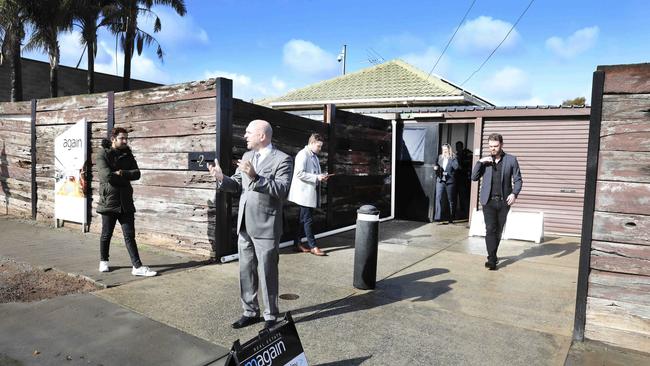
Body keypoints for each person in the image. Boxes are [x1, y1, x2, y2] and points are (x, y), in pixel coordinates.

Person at [208, 119, 292, 330]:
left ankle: (271, 315)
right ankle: (250, 311)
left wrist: (256, 176)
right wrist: (221, 178)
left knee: (267, 272)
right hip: (244, 224)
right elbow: (236, 184)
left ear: (262, 136)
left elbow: (282, 190)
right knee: (245, 270)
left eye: (248, 133)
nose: (244, 136)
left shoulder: (282, 159)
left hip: (266, 225)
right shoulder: (247, 156)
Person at [96, 127, 156, 277]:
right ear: (113, 139)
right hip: (109, 201)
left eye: (126, 138)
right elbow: (107, 176)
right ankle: (104, 261)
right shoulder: (103, 153)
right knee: (106, 234)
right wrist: (124, 177)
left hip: (126, 201)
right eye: (122, 138)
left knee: (130, 235)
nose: (125, 141)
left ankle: (137, 266)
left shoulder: (128, 154)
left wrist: (122, 173)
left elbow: (137, 174)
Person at [471, 133, 522, 270]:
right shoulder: (485, 161)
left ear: (502, 145)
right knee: (490, 229)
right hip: (488, 201)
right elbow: (474, 177)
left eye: (495, 146)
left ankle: (493, 255)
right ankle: (492, 259)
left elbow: (518, 179)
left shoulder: (511, 160)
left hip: (504, 202)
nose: (493, 149)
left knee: (498, 230)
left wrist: (514, 193)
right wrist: (480, 162)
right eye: (490, 146)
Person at [288, 133, 329, 256]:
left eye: (321, 146)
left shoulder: (313, 155)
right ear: (311, 143)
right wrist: (317, 177)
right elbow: (299, 173)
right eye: (318, 146)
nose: (320, 149)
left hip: (307, 193)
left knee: (302, 220)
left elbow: (313, 173)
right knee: (308, 220)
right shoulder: (302, 154)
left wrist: (321, 176)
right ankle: (313, 246)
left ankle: (297, 244)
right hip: (303, 194)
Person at [433, 143, 459, 224]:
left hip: (450, 181)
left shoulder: (453, 157)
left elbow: (456, 167)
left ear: (449, 150)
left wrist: (449, 158)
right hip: (440, 180)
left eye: (446, 150)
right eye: (443, 150)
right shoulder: (440, 157)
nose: (444, 152)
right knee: (438, 198)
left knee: (450, 200)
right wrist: (435, 168)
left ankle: (451, 218)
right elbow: (436, 165)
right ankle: (438, 218)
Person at [455, 141, 473, 219]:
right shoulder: (456, 155)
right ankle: (461, 213)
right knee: (459, 197)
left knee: (464, 197)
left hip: (464, 179)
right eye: (456, 147)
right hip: (457, 179)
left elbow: (469, 165)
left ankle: (465, 214)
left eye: (459, 147)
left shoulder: (467, 154)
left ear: (462, 147)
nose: (457, 149)